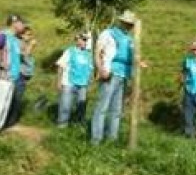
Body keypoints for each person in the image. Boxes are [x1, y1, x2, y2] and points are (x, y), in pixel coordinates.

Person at [91, 11, 137, 145]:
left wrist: (139, 63)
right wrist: (100, 69)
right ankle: (96, 140)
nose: (128, 26)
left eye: (130, 24)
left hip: (124, 76)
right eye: (126, 23)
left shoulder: (130, 39)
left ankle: (111, 140)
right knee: (102, 107)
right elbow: (97, 52)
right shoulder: (108, 33)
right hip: (110, 73)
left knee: (116, 110)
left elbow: (132, 57)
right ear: (121, 22)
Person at [0, 14, 25, 133]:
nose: (23, 26)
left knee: (4, 105)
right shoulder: (3, 35)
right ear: (14, 23)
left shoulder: (15, 39)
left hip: (11, 77)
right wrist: (0, 61)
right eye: (21, 23)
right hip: (1, 76)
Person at [56, 33, 93, 127]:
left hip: (83, 84)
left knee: (81, 106)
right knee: (65, 105)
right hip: (69, 82)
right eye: (83, 39)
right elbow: (61, 65)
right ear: (77, 40)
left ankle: (79, 124)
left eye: (86, 40)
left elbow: (89, 69)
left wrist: (89, 82)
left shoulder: (88, 54)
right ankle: (62, 125)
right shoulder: (70, 51)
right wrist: (59, 81)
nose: (84, 42)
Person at [6, 25, 37, 127]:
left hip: (23, 75)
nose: (30, 37)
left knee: (16, 98)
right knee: (16, 99)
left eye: (31, 35)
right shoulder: (19, 44)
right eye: (28, 34)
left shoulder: (24, 43)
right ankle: (10, 122)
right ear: (21, 35)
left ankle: (11, 120)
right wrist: (31, 46)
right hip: (19, 75)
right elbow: (24, 55)